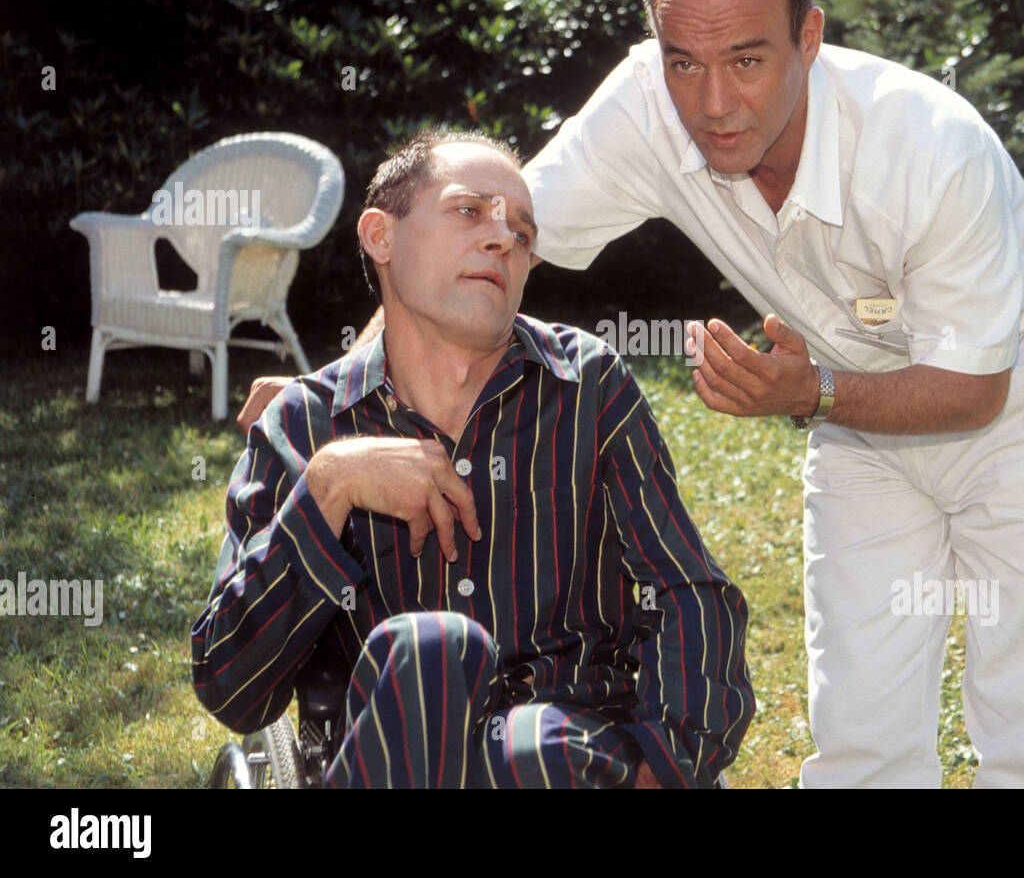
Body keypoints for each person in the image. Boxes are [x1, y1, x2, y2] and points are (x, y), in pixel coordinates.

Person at [237, 0, 1024, 789]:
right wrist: (341, 388)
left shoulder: (930, 146)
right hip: (851, 420)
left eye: (747, 59)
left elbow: (974, 389)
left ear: (809, 38)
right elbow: (485, 247)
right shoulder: (645, 109)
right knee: (861, 728)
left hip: (1017, 402)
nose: (713, 103)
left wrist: (810, 396)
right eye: (683, 61)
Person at [195, 129, 754, 788]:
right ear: (381, 236)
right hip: (389, 753)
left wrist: (665, 763)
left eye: (522, 231)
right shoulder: (307, 426)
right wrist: (332, 484)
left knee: (533, 749)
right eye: (469, 211)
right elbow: (234, 689)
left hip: (569, 753)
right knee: (433, 652)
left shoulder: (588, 387)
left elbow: (686, 588)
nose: (504, 239)